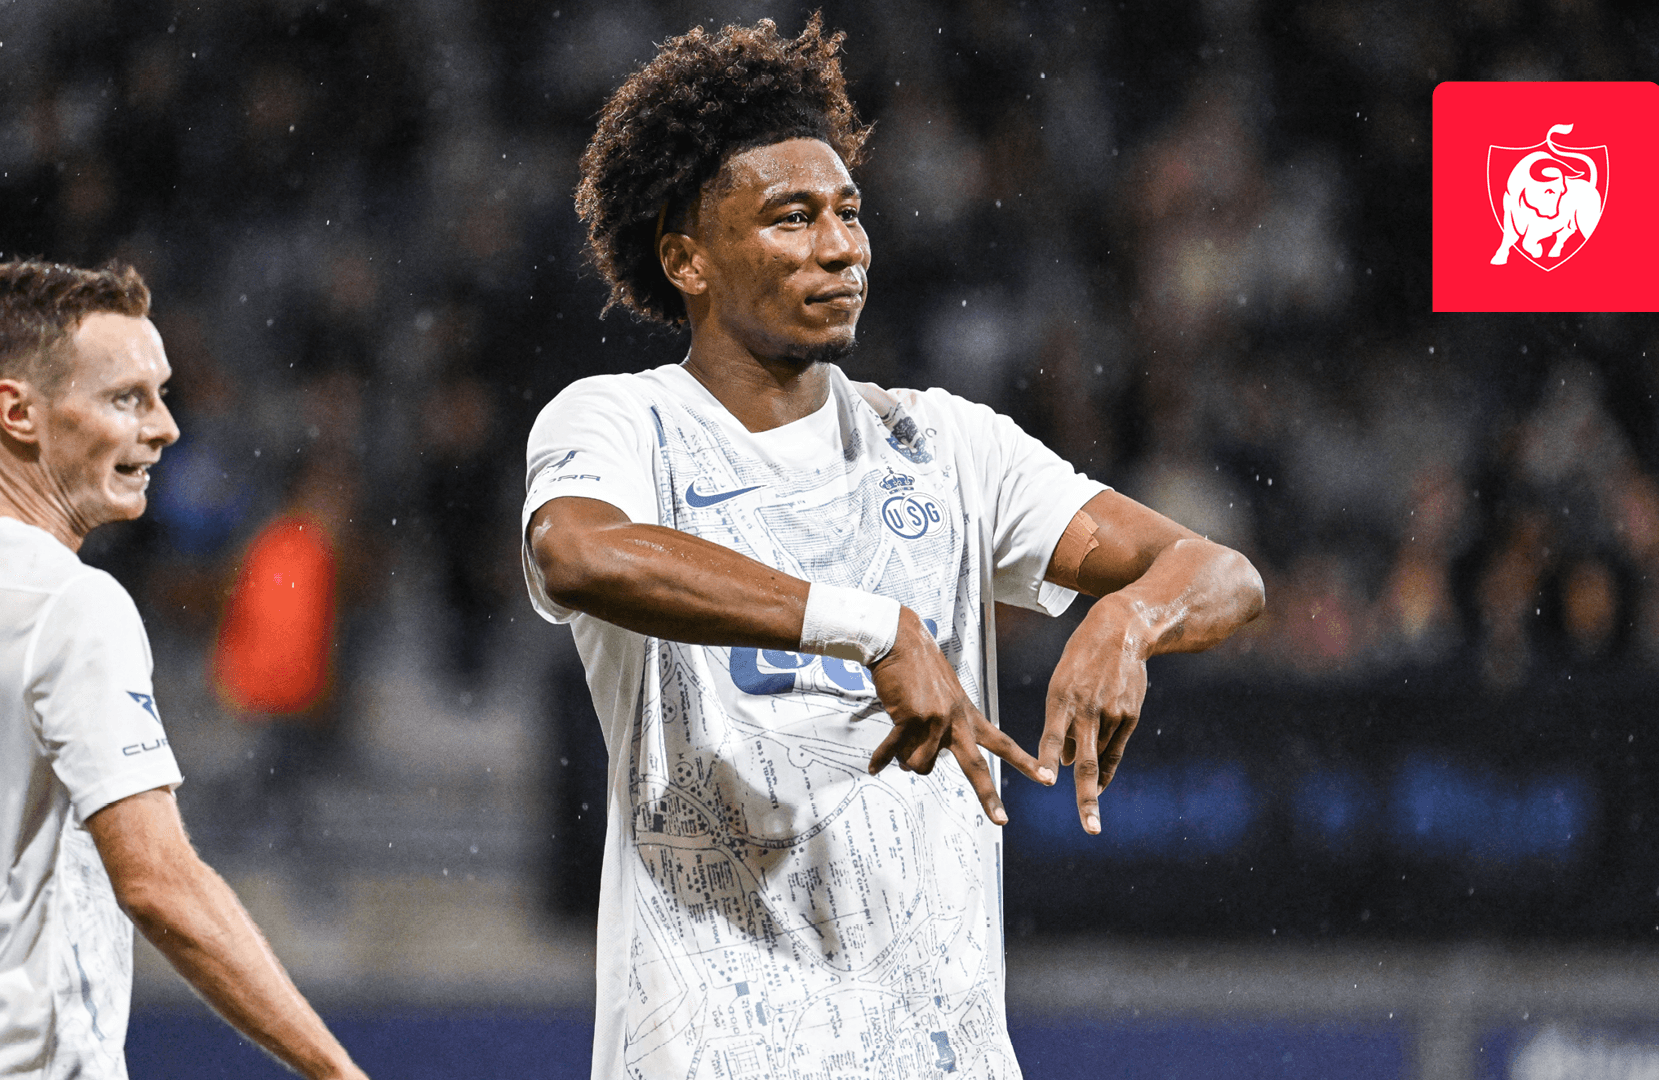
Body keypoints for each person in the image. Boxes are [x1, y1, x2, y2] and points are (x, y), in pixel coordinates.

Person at [523, 16, 1265, 1080]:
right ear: (686, 257)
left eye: (849, 212)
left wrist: (1130, 619)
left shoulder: (944, 444)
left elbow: (1224, 574)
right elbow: (579, 553)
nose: (841, 247)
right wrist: (871, 628)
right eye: (792, 218)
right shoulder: (623, 423)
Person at [0, 260, 366, 1080]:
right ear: (18, 413)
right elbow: (158, 884)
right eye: (127, 399)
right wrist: (337, 1071)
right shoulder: (68, 607)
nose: (166, 427)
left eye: (162, 394)